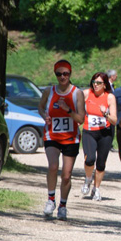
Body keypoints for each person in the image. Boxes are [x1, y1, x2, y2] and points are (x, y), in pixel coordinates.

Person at [39, 59, 85, 220]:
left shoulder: (76, 93)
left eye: (65, 73)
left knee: (66, 175)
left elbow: (81, 119)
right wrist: (45, 116)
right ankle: (51, 200)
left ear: (70, 74)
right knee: (52, 166)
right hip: (52, 135)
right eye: (59, 74)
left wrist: (68, 111)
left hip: (71, 138)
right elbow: (40, 107)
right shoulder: (49, 91)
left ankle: (63, 205)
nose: (62, 77)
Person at [80, 72, 118, 201]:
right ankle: (88, 179)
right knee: (90, 159)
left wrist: (106, 113)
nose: (95, 85)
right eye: (94, 82)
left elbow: (114, 120)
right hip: (89, 132)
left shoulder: (110, 97)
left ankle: (96, 189)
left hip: (105, 133)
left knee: (101, 163)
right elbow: (75, 105)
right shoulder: (86, 94)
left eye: (99, 83)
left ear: (105, 85)